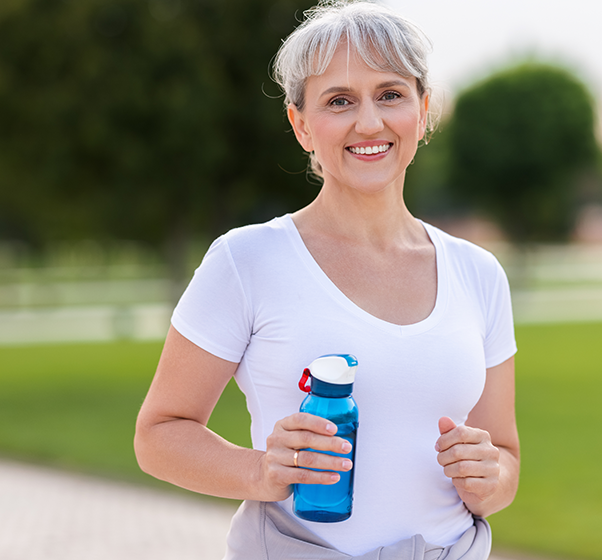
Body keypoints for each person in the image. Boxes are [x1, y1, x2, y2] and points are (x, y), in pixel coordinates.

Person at [134, 1, 519, 558]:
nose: (369, 122)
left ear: (424, 109)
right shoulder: (246, 261)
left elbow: (503, 457)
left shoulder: (479, 274)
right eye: (339, 101)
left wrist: (492, 479)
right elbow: (159, 434)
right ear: (301, 125)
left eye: (391, 94)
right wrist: (261, 471)